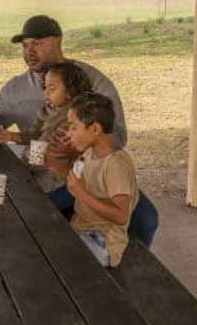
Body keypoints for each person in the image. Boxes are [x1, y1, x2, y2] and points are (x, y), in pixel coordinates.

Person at [0, 15, 159, 247]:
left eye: (37, 43)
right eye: (25, 45)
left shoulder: (94, 81)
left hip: (90, 175)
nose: (29, 51)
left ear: (58, 41)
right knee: (32, 225)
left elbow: (118, 136)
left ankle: (125, 273)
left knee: (146, 220)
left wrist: (81, 144)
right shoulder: (16, 88)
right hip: (39, 178)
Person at [49, 93, 138, 267]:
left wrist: (82, 194)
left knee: (48, 257)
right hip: (82, 229)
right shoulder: (89, 153)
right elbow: (76, 181)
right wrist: (51, 163)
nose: (69, 133)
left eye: (74, 127)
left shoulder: (115, 164)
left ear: (95, 129)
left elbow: (121, 215)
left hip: (103, 242)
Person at [0, 61, 91, 192]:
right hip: (38, 164)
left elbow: (46, 153)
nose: (46, 94)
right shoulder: (48, 109)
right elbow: (35, 135)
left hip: (59, 179)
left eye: (52, 89)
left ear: (69, 92)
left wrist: (15, 164)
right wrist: (12, 136)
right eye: (45, 88)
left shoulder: (72, 120)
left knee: (14, 190)